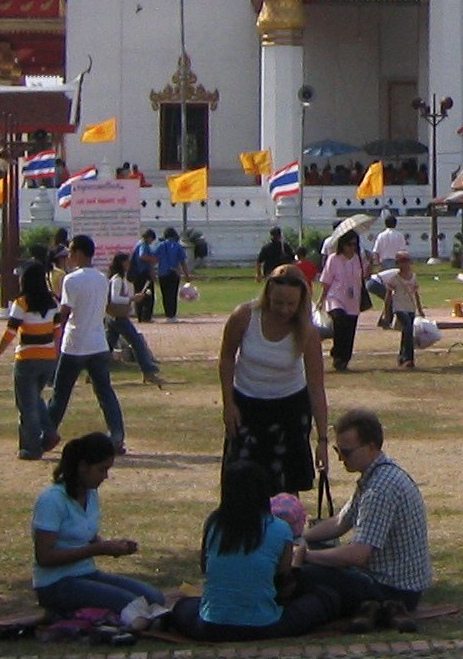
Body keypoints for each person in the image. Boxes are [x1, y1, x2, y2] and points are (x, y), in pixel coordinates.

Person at [165, 460, 337, 640]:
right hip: (265, 626)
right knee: (325, 597)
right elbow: (284, 581)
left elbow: (205, 566)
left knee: (183, 605)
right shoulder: (280, 528)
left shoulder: (214, 523)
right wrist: (297, 561)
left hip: (211, 626)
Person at [297, 409, 431, 624]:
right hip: (385, 582)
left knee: (304, 573)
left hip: (393, 591)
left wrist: (305, 556)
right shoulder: (377, 475)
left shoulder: (380, 488)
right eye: (337, 450)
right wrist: (301, 538)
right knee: (315, 562)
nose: (340, 458)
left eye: (346, 452)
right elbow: (340, 522)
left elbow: (358, 554)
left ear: (371, 447)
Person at [221, 265, 329, 496]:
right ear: (268, 293)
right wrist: (228, 404)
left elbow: (316, 387)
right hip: (246, 406)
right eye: (278, 302)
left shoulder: (308, 332)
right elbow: (227, 358)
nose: (284, 309)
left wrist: (322, 440)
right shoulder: (244, 316)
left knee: (285, 489)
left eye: (291, 304)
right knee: (241, 484)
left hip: (289, 409)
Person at [29, 432, 164, 615]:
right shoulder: (52, 500)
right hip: (56, 583)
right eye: (101, 470)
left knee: (154, 598)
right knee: (133, 605)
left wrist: (114, 546)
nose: (105, 476)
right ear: (83, 467)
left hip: (86, 573)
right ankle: (65, 615)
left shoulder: (90, 494)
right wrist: (97, 550)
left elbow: (87, 537)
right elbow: (44, 557)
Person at [51, 236, 127, 453]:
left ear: (79, 253)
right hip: (97, 342)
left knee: (60, 394)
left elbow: (65, 312)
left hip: (75, 343)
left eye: (71, 252)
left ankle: (46, 433)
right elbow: (107, 306)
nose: (69, 257)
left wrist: (51, 331)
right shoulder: (102, 278)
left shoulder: (71, 280)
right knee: (105, 393)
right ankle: (117, 436)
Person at [0, 261, 64, 460]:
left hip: (27, 358)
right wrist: (54, 354)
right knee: (34, 398)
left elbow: (10, 333)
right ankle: (49, 432)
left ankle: (31, 447)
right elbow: (57, 332)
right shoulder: (53, 302)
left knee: (26, 404)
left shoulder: (21, 303)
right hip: (48, 358)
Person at [104, 251, 167, 387]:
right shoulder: (117, 279)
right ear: (122, 263)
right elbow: (115, 299)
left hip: (113, 317)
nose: (129, 264)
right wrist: (132, 298)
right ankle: (148, 372)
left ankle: (94, 373)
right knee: (137, 343)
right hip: (118, 318)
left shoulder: (120, 278)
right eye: (126, 261)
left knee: (107, 347)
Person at [317, 229, 370, 372]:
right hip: (336, 297)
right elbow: (326, 281)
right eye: (349, 244)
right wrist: (321, 299)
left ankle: (344, 359)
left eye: (354, 245)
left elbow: (365, 275)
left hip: (353, 300)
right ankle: (337, 354)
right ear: (342, 245)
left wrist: (369, 263)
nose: (352, 248)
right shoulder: (333, 259)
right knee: (339, 321)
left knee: (349, 330)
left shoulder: (358, 259)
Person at [384, 254, 423, 368]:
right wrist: (387, 312)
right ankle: (408, 358)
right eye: (401, 262)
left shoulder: (413, 277)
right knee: (408, 329)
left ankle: (402, 357)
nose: (405, 264)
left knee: (407, 332)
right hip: (399, 308)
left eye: (406, 261)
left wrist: (420, 309)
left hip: (410, 308)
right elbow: (388, 296)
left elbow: (416, 294)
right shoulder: (394, 278)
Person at [155, 227, 190, 322]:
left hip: (163, 273)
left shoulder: (161, 245)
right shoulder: (178, 246)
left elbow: (154, 258)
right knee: (173, 294)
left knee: (165, 294)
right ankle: (172, 315)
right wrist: (187, 275)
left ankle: (167, 314)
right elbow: (183, 262)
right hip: (174, 272)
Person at [130, 230, 160, 322]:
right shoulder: (143, 244)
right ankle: (146, 316)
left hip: (139, 274)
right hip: (142, 274)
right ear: (149, 237)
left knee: (139, 294)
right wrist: (153, 259)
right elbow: (142, 255)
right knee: (147, 295)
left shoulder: (139, 244)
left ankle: (140, 316)